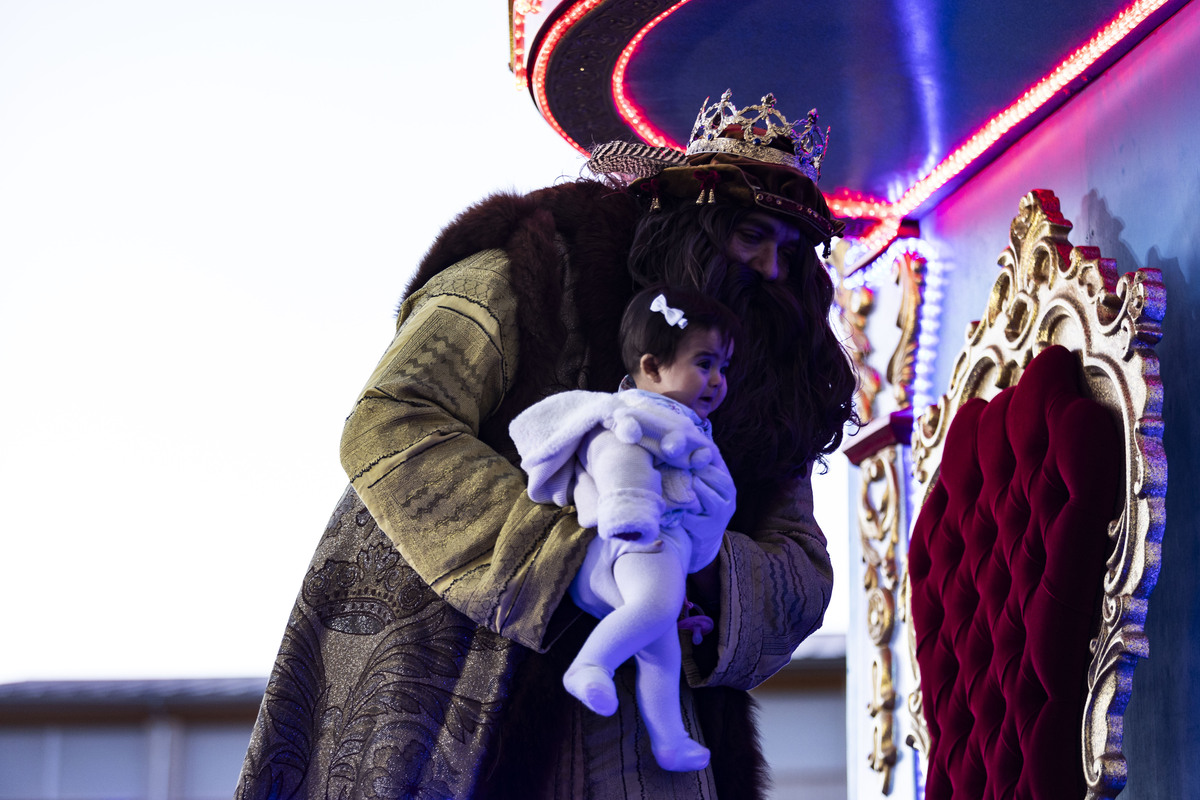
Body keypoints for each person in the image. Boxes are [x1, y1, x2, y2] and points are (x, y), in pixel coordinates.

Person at [236, 89, 855, 799]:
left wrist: (689, 570)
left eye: (789, 249)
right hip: (459, 688)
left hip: (651, 727)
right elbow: (392, 418)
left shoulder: (771, 377)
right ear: (695, 226)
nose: (774, 272)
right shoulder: (534, 266)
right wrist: (575, 560)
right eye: (752, 236)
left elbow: (801, 566)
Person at [509, 286, 739, 772]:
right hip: (636, 538)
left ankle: (670, 740)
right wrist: (632, 519)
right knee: (654, 608)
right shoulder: (633, 417)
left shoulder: (677, 419)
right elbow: (618, 463)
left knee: (659, 647)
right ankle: (591, 665)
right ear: (653, 368)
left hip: (651, 547)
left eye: (723, 367)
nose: (718, 380)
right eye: (704, 364)